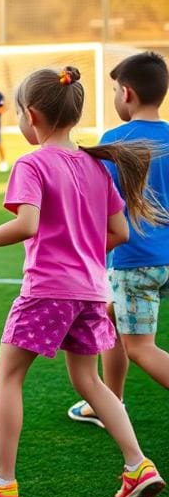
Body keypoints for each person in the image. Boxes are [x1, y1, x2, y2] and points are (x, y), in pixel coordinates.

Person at [0, 66, 166, 497]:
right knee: (88, 379)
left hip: (47, 289)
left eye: (19, 112)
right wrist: (82, 248)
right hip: (91, 290)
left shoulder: (32, 163)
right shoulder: (96, 165)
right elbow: (117, 232)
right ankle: (138, 464)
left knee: (8, 373)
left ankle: (1, 480)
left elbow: (27, 224)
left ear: (33, 115)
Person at [68, 52, 169, 428]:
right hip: (163, 258)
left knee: (141, 347)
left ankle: (109, 403)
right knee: (107, 319)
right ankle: (110, 403)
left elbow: (94, 203)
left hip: (135, 261)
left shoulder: (114, 141)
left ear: (126, 93)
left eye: (113, 90)